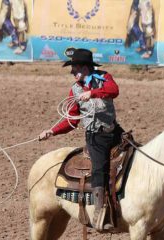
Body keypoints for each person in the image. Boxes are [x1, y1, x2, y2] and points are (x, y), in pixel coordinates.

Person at [39, 48, 124, 230]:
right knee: (99, 168)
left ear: (85, 68)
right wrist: (52, 131)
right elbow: (71, 121)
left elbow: (114, 90)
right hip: (96, 137)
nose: (71, 72)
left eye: (74, 67)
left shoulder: (104, 78)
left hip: (114, 131)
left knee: (134, 152)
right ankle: (100, 213)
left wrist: (92, 93)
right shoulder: (75, 90)